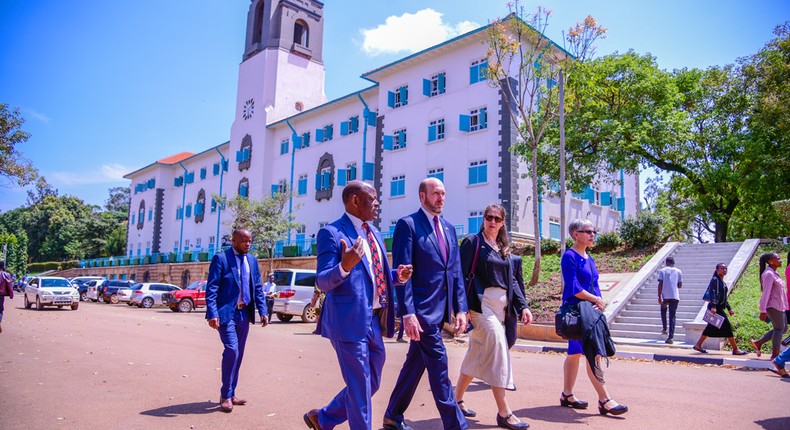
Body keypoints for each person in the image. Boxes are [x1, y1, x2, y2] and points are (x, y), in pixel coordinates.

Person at [304, 180, 412, 430]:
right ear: (354, 200)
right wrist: (344, 266)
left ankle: (322, 418)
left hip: (374, 320)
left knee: (370, 382)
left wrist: (397, 275)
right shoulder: (331, 233)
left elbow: (375, 274)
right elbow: (322, 280)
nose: (377, 203)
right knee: (360, 387)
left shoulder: (374, 233)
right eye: (372, 198)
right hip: (347, 321)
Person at [384, 177, 469, 430]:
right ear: (422, 196)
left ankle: (392, 416)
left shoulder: (449, 228)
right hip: (421, 311)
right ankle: (457, 426)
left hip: (440, 310)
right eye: (435, 193)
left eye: (443, 193)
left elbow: (455, 271)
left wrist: (460, 308)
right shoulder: (408, 225)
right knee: (440, 369)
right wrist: (408, 312)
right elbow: (403, 274)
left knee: (415, 365)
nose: (440, 198)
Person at [453, 204, 533, 430]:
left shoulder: (503, 248)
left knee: (476, 354)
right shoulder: (473, 242)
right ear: (483, 219)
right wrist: (461, 308)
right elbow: (459, 275)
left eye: (497, 218)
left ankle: (455, 399)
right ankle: (504, 412)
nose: (492, 221)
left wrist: (523, 306)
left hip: (502, 309)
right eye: (489, 217)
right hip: (481, 305)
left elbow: (513, 282)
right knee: (498, 348)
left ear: (503, 222)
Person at [560, 219, 627, 417]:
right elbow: (572, 287)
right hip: (577, 311)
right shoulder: (569, 256)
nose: (592, 234)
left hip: (591, 312)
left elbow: (594, 285)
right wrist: (595, 299)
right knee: (593, 353)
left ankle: (567, 394)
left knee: (574, 353)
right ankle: (604, 399)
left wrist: (598, 304)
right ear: (575, 234)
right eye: (587, 231)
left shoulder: (589, 258)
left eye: (593, 231)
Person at [205, 227, 269, 413]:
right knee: (232, 350)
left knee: (239, 354)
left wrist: (263, 310)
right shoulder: (221, 259)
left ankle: (232, 393)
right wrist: (213, 313)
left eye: (250, 241)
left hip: (244, 314)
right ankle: (225, 395)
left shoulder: (252, 260)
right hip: (227, 314)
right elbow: (212, 288)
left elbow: (257, 286)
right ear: (234, 240)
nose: (248, 244)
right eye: (244, 241)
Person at [692, 263, 748, 355]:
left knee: (710, 327)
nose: (724, 270)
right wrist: (713, 306)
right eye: (722, 268)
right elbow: (713, 293)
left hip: (718, 307)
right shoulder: (715, 280)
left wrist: (729, 308)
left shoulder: (722, 282)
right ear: (717, 270)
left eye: (726, 269)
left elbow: (724, 297)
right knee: (727, 327)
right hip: (715, 308)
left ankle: (698, 345)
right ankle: (735, 349)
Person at [751, 252, 787, 359]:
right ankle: (775, 354)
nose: (781, 260)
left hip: (780, 306)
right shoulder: (769, 274)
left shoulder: (774, 273)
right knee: (779, 329)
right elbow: (766, 293)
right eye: (778, 259)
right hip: (773, 306)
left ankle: (759, 343)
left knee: (783, 328)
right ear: (770, 261)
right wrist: (763, 310)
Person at [657, 257, 683, 344]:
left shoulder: (662, 271)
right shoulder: (679, 271)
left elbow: (660, 284)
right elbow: (680, 285)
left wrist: (659, 296)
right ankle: (670, 337)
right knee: (672, 316)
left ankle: (664, 328)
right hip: (675, 296)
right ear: (674, 262)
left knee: (663, 311)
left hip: (665, 296)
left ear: (666, 262)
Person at [0, 261, 13, 334]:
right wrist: (11, 295)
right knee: (0, 309)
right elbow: (9, 285)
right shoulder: (6, 274)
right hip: (1, 295)